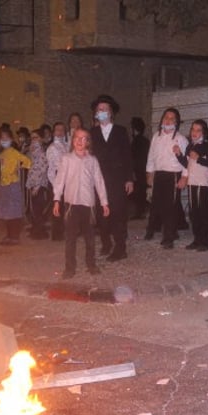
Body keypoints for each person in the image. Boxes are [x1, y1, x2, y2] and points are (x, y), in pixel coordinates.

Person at [52, 127, 110, 278]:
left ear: (88, 142)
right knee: (70, 238)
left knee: (89, 238)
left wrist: (104, 202)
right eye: (77, 138)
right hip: (71, 204)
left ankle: (91, 264)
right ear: (72, 140)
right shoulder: (66, 159)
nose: (79, 141)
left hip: (88, 204)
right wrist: (57, 200)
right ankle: (69, 268)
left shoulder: (92, 160)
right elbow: (60, 181)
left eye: (83, 138)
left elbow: (99, 181)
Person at [89, 94, 134, 261]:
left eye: (105, 109)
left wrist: (129, 178)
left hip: (117, 179)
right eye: (99, 109)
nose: (102, 112)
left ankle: (120, 248)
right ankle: (106, 243)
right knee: (101, 214)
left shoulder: (120, 131)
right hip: (98, 180)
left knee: (118, 213)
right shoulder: (92, 133)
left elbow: (127, 156)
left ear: (111, 113)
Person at [145, 107, 189, 248]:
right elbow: (151, 157)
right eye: (166, 117)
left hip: (173, 175)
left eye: (172, 118)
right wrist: (149, 173)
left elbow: (187, 162)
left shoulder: (181, 139)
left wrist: (184, 178)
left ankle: (168, 237)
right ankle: (152, 230)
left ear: (176, 122)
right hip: (159, 174)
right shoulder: (156, 137)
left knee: (170, 207)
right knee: (156, 204)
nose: (168, 120)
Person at [184, 119, 208, 251]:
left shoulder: (207, 146)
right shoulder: (190, 146)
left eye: (198, 130)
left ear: (204, 132)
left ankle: (206, 240)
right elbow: (186, 163)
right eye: (193, 129)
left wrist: (199, 159)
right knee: (194, 211)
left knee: (203, 211)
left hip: (203, 183)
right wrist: (178, 155)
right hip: (192, 182)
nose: (194, 133)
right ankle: (197, 238)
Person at [0, 129, 31, 245]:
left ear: (11, 139)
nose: (4, 140)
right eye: (2, 138)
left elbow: (27, 161)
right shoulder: (1, 154)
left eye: (6, 138)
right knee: (6, 211)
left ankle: (15, 236)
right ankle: (9, 234)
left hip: (12, 184)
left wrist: (19, 168)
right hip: (3, 185)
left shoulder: (14, 152)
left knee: (14, 211)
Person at [26, 125, 52, 239]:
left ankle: (40, 232)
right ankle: (36, 231)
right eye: (32, 138)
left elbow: (43, 169)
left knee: (38, 209)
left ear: (41, 139)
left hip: (39, 186)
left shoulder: (41, 152)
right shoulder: (33, 152)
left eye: (36, 137)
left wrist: (37, 186)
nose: (33, 140)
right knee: (34, 209)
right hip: (33, 184)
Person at [46, 121, 70, 241]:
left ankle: (64, 231)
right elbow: (51, 168)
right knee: (57, 207)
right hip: (57, 178)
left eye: (62, 130)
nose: (60, 132)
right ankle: (57, 234)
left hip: (67, 178)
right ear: (53, 132)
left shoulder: (66, 146)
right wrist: (56, 185)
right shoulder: (52, 147)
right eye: (57, 130)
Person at [130, 116, 151, 219]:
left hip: (137, 171)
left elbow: (132, 157)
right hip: (145, 169)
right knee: (142, 192)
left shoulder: (135, 142)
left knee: (138, 192)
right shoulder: (146, 141)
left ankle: (139, 212)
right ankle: (142, 210)